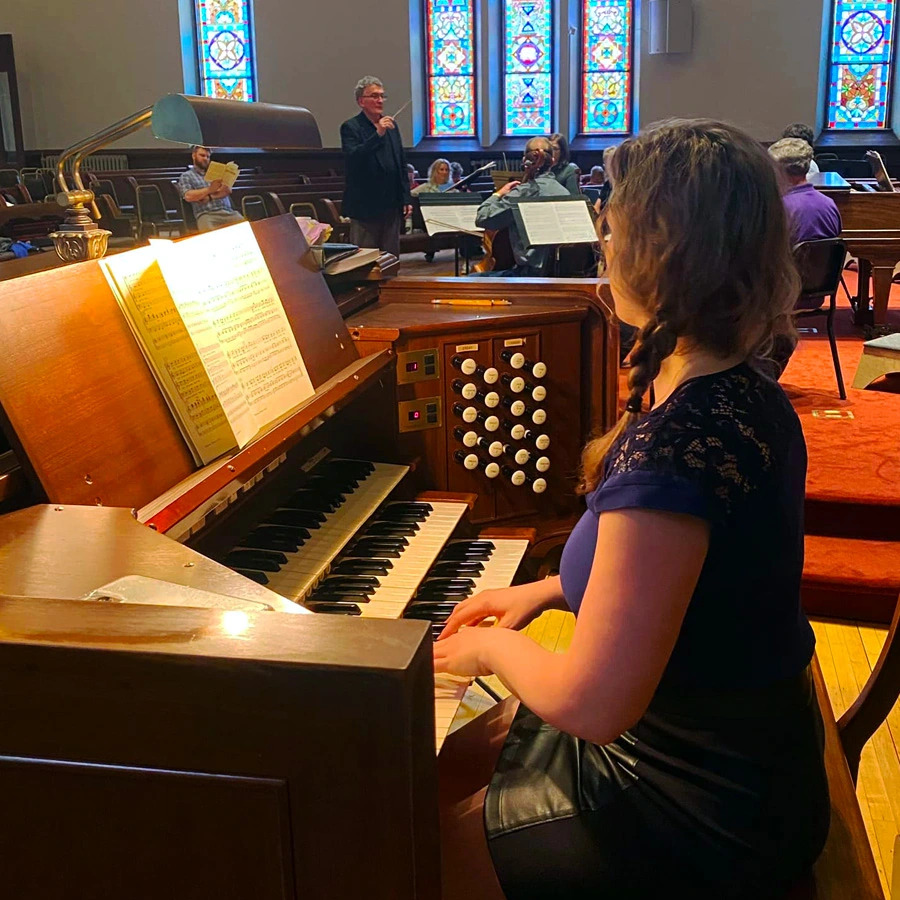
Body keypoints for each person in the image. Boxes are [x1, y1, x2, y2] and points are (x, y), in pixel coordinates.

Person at [435, 119, 829, 900]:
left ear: (657, 252)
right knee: (459, 760)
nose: (605, 245)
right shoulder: (742, 387)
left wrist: (490, 653)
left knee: (423, 844)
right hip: (746, 756)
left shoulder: (677, 442)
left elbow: (593, 704)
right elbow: (687, 580)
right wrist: (542, 591)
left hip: (708, 809)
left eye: (612, 226)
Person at [474, 136, 570, 276]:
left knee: (473, 278)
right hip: (558, 273)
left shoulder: (522, 193)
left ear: (525, 160)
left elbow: (483, 217)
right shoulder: (564, 192)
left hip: (529, 275)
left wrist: (498, 194)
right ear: (553, 161)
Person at [340, 76, 412, 257]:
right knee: (365, 259)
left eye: (382, 96)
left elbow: (400, 164)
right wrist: (377, 134)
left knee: (390, 259)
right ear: (361, 101)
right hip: (366, 207)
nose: (379, 100)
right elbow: (354, 158)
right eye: (374, 96)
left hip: (391, 205)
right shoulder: (351, 127)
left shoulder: (391, 126)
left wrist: (406, 198)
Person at [769, 138, 842, 243]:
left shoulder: (780, 208)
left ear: (778, 170)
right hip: (824, 260)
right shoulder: (829, 204)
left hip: (789, 259)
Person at [177, 145, 244, 233]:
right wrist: (210, 189)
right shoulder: (187, 176)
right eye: (202, 155)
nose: (205, 158)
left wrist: (210, 197)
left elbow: (227, 191)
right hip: (206, 214)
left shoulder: (216, 173)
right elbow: (189, 196)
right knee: (209, 235)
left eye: (208, 156)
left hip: (227, 212)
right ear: (194, 155)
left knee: (246, 229)